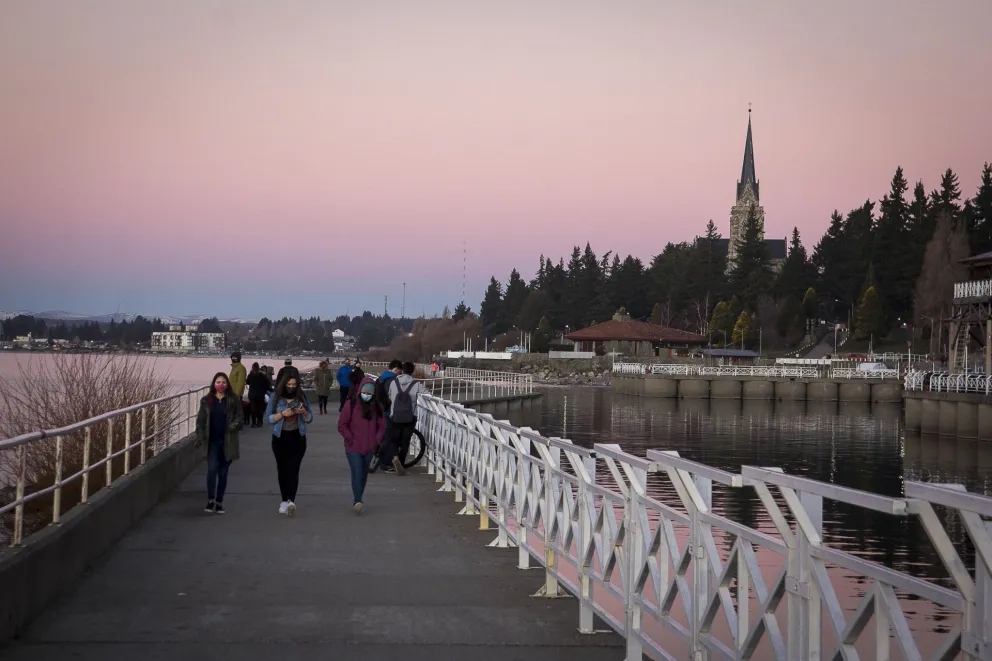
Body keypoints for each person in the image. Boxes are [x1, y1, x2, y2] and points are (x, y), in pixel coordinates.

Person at [266, 373, 314, 516]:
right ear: (283, 385)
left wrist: (304, 412)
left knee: (294, 469)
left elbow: (309, 418)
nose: (292, 387)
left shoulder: (302, 397)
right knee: (282, 469)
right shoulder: (275, 398)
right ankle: (284, 500)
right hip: (280, 438)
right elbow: (267, 418)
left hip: (297, 437)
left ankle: (291, 500)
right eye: (289, 385)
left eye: (294, 384)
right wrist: (282, 414)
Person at [195, 372, 243, 514]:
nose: (221, 385)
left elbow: (240, 419)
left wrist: (232, 426)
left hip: (228, 442)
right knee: (211, 471)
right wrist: (199, 437)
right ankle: (210, 500)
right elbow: (200, 422)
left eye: (223, 382)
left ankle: (219, 502)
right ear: (213, 384)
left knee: (223, 473)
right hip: (212, 442)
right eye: (218, 382)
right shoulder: (207, 400)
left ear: (227, 384)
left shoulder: (233, 400)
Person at [337, 377, 386, 515]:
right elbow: (342, 425)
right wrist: (350, 438)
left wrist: (376, 441)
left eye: (370, 394)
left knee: (363, 474)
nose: (367, 395)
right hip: (353, 446)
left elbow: (381, 426)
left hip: (370, 447)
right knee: (357, 472)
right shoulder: (350, 404)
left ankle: (358, 497)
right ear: (360, 391)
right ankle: (357, 500)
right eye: (365, 392)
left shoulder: (377, 407)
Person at [383, 361, 425, 476]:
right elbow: (427, 395)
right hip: (410, 416)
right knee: (405, 441)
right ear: (412, 371)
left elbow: (390, 396)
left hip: (394, 415)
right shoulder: (416, 384)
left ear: (402, 370)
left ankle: (394, 457)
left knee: (393, 439)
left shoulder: (393, 382)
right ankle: (400, 463)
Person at [246, 362, 271, 427]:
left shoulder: (250, 375)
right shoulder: (262, 375)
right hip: (260, 394)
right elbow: (267, 384)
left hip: (252, 394)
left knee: (253, 408)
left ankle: (254, 423)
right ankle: (260, 421)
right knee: (260, 408)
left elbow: (247, 382)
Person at [229, 352, 248, 422]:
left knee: (237, 411)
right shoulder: (234, 367)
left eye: (234, 357)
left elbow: (241, 382)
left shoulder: (241, 368)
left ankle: (238, 425)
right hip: (231, 393)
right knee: (232, 411)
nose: (233, 359)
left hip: (236, 394)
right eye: (232, 357)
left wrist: (237, 395)